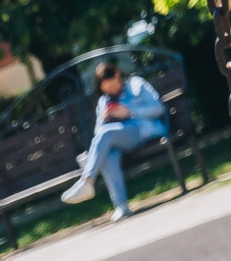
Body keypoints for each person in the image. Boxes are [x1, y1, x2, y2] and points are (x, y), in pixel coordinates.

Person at [62, 59, 169, 221]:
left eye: (112, 85)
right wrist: (104, 119)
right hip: (118, 139)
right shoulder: (104, 101)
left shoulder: (136, 84)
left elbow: (158, 108)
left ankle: (87, 179)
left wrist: (130, 112)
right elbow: (99, 133)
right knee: (108, 155)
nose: (111, 90)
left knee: (106, 135)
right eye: (107, 89)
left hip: (142, 131)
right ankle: (121, 207)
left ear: (118, 74)